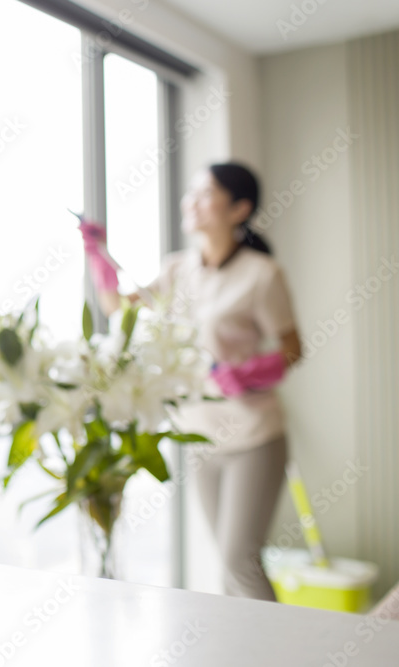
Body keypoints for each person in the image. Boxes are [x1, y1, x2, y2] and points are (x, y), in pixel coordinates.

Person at [82, 162, 302, 601]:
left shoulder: (262, 274)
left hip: (253, 436)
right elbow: (117, 308)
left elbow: (292, 348)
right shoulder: (178, 270)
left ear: (239, 208)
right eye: (192, 193)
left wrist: (247, 373)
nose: (191, 202)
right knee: (225, 564)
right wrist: (96, 252)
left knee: (240, 561)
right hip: (200, 436)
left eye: (205, 194)